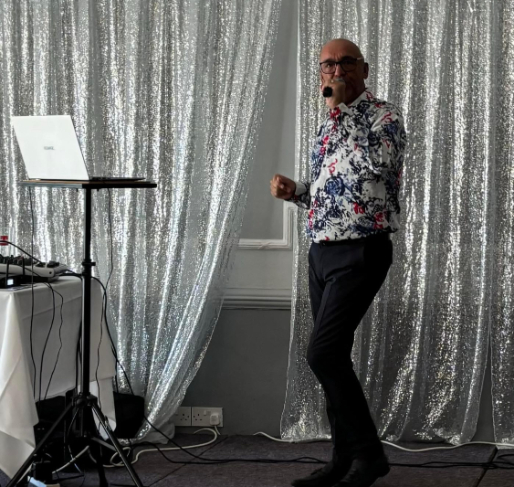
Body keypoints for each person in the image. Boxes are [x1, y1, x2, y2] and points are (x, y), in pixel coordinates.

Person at [270, 38, 407, 487]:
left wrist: (345, 112)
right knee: (334, 356)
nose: (335, 71)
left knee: (322, 352)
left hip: (362, 248)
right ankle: (342, 459)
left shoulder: (384, 117)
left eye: (344, 63)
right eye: (328, 64)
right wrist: (298, 192)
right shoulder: (327, 125)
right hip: (322, 248)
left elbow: (378, 168)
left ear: (363, 70)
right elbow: (335, 189)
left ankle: (370, 456)